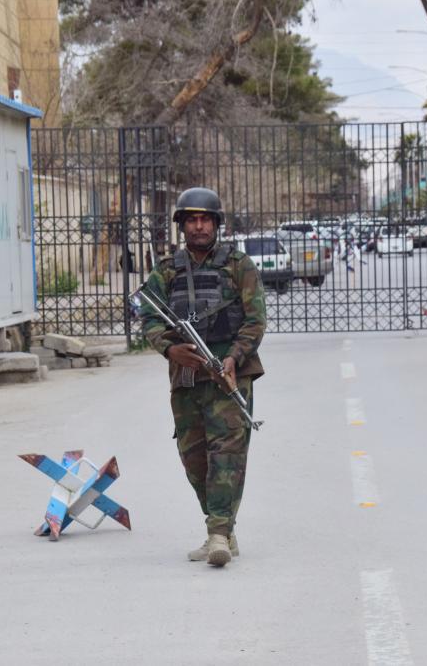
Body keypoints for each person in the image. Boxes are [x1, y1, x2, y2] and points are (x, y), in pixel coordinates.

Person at [139, 187, 266, 568]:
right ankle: (223, 529)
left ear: (216, 224)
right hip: (187, 378)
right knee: (194, 459)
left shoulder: (239, 265)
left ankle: (218, 534)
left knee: (226, 457)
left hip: (229, 376)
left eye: (205, 219)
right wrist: (170, 349)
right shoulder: (166, 271)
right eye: (192, 220)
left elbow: (256, 320)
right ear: (182, 225)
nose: (199, 226)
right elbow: (149, 319)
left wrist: (234, 357)